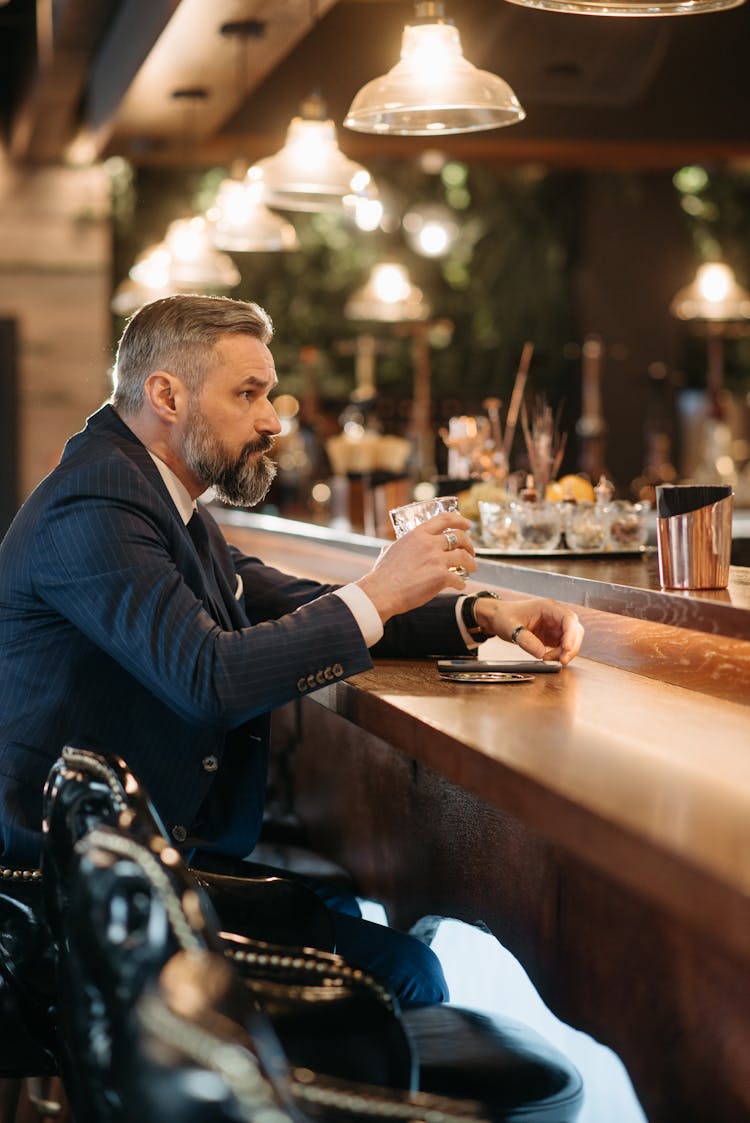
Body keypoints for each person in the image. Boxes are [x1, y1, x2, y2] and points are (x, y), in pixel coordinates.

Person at [0, 294, 583, 1007]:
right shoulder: (98, 499)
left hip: (130, 860)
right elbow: (208, 677)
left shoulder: (152, 495)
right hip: (65, 902)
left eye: (268, 394)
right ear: (166, 394)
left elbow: (284, 596)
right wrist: (376, 590)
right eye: (248, 393)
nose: (273, 420)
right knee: (403, 973)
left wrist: (478, 611)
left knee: (352, 923)